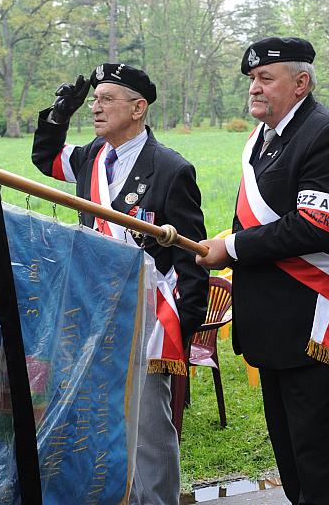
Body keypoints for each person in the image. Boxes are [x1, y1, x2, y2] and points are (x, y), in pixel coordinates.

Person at [196, 37, 329, 504]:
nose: (254, 88)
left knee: (320, 465)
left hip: (315, 326)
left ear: (300, 83)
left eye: (265, 78)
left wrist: (229, 247)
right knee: (293, 461)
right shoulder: (265, 138)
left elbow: (316, 226)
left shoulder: (326, 133)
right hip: (272, 327)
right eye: (252, 79)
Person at [31, 63, 208, 504]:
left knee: (149, 430)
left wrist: (181, 328)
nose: (96, 107)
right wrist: (59, 113)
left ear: (138, 108)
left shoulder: (170, 168)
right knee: (101, 422)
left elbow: (192, 257)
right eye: (94, 99)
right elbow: (46, 158)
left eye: (107, 99)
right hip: (92, 313)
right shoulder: (92, 155)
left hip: (147, 319)